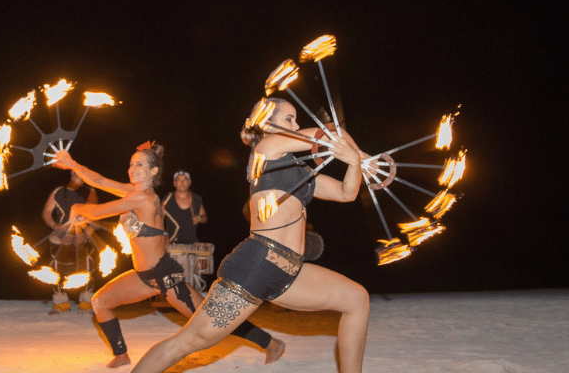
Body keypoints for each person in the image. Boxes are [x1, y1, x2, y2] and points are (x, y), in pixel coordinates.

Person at [132, 98, 371, 373]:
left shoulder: (301, 172)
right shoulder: (266, 148)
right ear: (267, 124)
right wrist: (362, 155)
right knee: (189, 342)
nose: (296, 125)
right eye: (288, 120)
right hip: (256, 266)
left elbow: (346, 193)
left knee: (356, 299)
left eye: (295, 120)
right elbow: (331, 133)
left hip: (289, 271)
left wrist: (355, 164)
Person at [53, 143, 284, 368]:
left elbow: (97, 211)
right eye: (131, 164)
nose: (133, 169)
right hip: (143, 276)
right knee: (100, 301)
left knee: (216, 319)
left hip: (165, 276)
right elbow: (99, 181)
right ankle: (121, 354)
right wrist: (71, 162)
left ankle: (271, 343)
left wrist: (78, 209)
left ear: (153, 171)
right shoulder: (133, 191)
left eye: (140, 165)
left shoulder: (145, 199)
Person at [40, 171, 99, 313]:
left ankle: (86, 302)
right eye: (75, 175)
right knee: (56, 267)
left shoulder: (90, 191)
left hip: (81, 233)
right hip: (61, 235)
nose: (78, 179)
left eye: (81, 176)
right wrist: (55, 226)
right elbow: (47, 212)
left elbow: (96, 213)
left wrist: (88, 226)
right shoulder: (58, 191)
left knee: (87, 265)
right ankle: (60, 302)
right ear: (71, 176)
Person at [162, 170, 212, 292]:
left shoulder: (196, 199)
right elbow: (158, 218)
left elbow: (205, 217)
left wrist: (199, 218)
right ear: (174, 183)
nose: (182, 183)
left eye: (185, 180)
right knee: (173, 274)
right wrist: (164, 236)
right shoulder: (167, 199)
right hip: (172, 243)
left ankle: (193, 299)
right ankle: (173, 299)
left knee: (195, 275)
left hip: (192, 242)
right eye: (179, 180)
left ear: (189, 183)